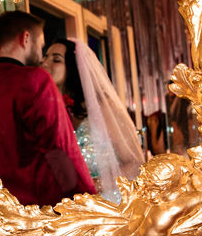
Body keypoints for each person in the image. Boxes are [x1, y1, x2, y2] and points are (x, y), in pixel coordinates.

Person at [0, 11, 96, 206]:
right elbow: (60, 147)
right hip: (40, 209)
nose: (41, 56)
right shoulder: (34, 79)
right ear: (25, 38)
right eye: (40, 46)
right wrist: (87, 198)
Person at [40, 39, 145, 202]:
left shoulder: (103, 109)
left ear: (74, 68)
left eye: (56, 59)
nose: (45, 63)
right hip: (72, 208)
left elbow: (135, 164)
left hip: (110, 204)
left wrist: (93, 185)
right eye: (45, 57)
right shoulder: (51, 113)